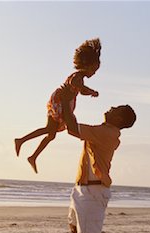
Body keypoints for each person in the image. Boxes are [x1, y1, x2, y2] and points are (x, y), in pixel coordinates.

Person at [56, 86, 136, 233]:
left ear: (119, 118)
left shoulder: (108, 133)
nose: (109, 108)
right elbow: (72, 126)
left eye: (115, 108)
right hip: (81, 189)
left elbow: (72, 128)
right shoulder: (102, 130)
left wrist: (65, 101)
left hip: (93, 192)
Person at [15, 38, 102, 173]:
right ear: (87, 66)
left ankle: (32, 155)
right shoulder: (78, 76)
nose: (94, 73)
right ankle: (22, 142)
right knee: (50, 129)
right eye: (94, 70)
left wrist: (89, 92)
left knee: (51, 134)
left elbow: (81, 90)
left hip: (63, 101)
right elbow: (77, 85)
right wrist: (91, 91)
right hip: (61, 101)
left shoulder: (81, 78)